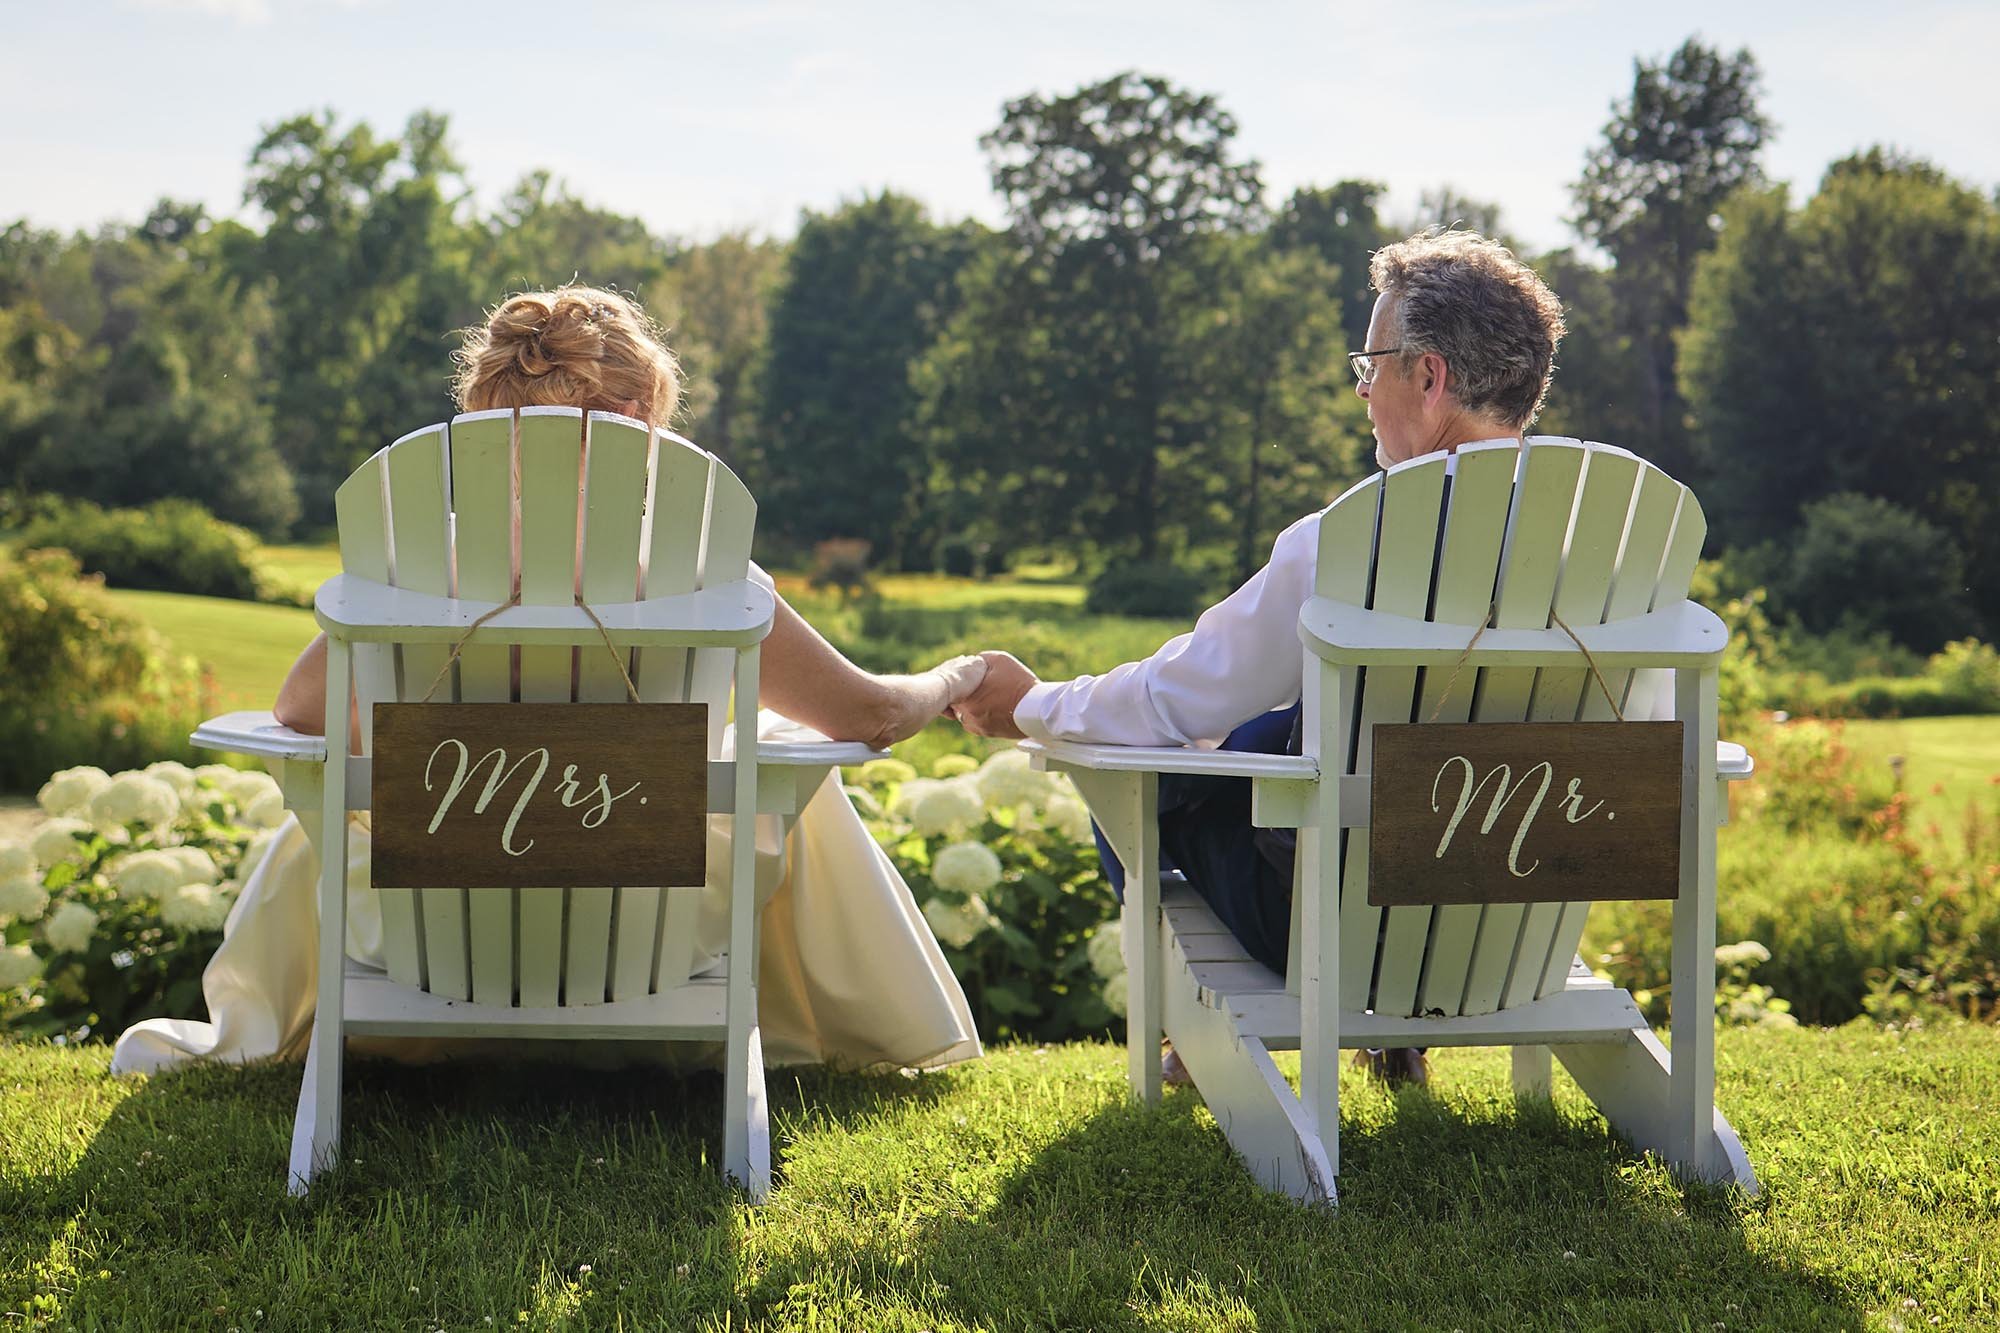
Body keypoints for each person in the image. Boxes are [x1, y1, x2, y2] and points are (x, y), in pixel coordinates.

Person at [112, 286, 988, 1077]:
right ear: (638, 413)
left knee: (352, 794)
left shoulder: (420, 565)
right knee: (774, 757)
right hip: (649, 929)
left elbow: (297, 713)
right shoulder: (706, 571)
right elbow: (869, 713)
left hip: (436, 930)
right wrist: (959, 673)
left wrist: (471, 767)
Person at [950, 230, 1568, 1086]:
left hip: (1339, 928)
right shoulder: (1604, 547)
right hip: (1521, 921)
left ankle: (1195, 1039)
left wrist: (1033, 704)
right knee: (1281, 727)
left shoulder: (1350, 543)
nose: (1361, 388)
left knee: (1131, 777)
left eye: (1371, 363)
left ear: (1426, 378)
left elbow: (1176, 702)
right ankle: (1398, 1039)